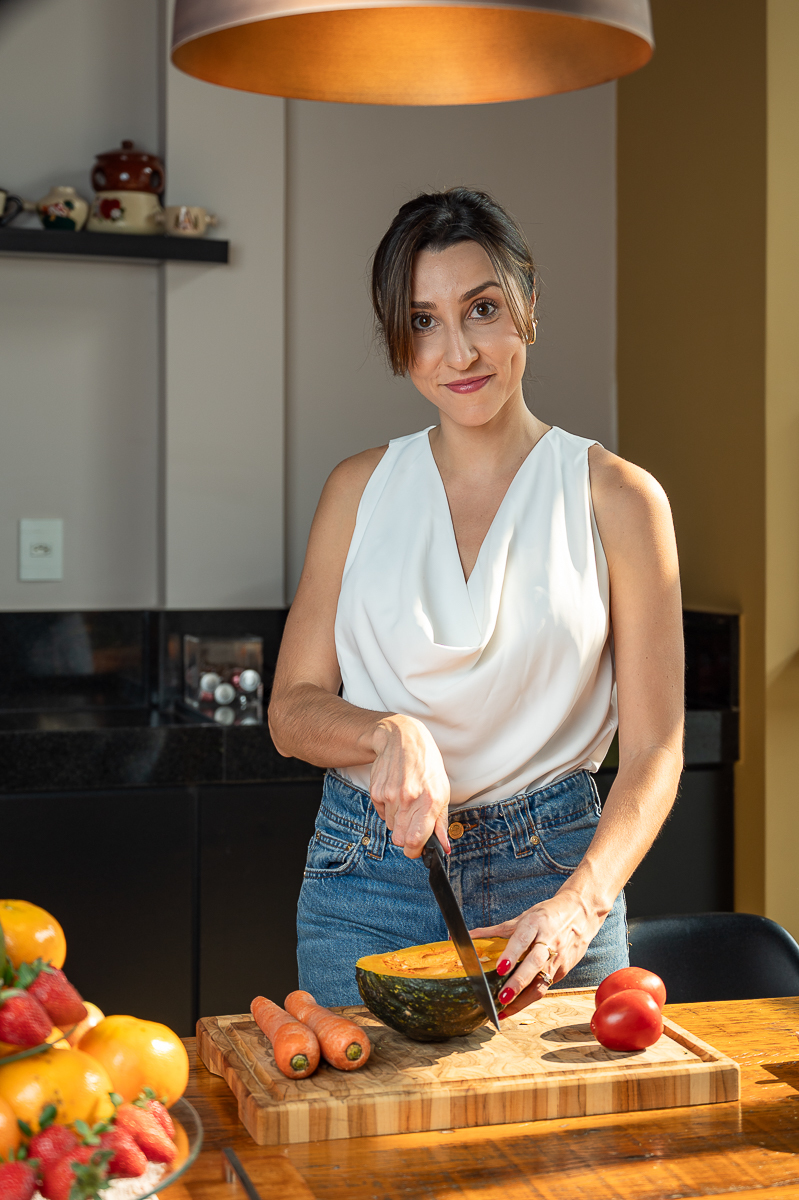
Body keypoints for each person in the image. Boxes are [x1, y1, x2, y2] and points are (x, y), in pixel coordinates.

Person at [269, 187, 683, 1016]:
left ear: (527, 307)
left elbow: (652, 751)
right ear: (400, 343)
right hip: (370, 878)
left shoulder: (618, 497)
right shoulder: (358, 490)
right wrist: (386, 730)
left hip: (557, 878)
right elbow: (291, 711)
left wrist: (580, 904)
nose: (457, 352)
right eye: (424, 322)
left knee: (572, 1146)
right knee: (361, 1144)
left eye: (481, 309)